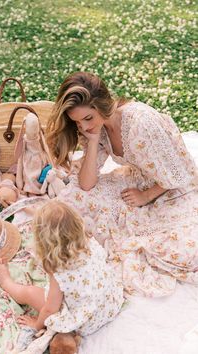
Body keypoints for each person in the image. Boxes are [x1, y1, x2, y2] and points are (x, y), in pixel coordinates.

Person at [46, 71, 198, 297]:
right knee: (73, 198)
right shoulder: (97, 129)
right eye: (77, 122)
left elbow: (178, 173)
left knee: (181, 246)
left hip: (172, 187)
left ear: (103, 105)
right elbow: (87, 183)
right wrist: (94, 138)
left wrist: (146, 196)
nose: (84, 127)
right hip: (138, 177)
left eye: (88, 118)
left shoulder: (141, 123)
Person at [0, 200, 124, 335]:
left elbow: (50, 309)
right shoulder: (88, 241)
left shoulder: (58, 270)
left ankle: (6, 282)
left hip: (84, 320)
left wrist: (37, 325)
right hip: (108, 303)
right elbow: (60, 225)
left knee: (30, 293)